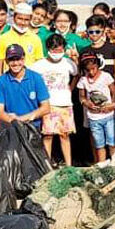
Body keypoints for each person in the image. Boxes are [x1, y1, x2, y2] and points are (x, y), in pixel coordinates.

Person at [31, 34, 78, 165]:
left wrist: (71, 88)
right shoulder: (39, 65)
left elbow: (76, 74)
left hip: (65, 104)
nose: (57, 53)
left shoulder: (68, 63)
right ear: (48, 49)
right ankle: (47, 165)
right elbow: (31, 79)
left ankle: (69, 165)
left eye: (59, 50)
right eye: (54, 50)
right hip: (48, 105)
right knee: (48, 135)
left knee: (65, 135)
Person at [0, 43, 50, 129]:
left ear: (23, 59)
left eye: (18, 59)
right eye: (11, 60)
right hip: (11, 127)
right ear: (6, 61)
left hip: (33, 127)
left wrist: (21, 119)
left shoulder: (36, 78)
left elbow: (46, 107)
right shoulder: (1, 82)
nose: (15, 63)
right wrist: (14, 122)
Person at [77, 49, 115, 162]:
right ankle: (102, 165)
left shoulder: (106, 76)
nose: (91, 72)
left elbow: (114, 92)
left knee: (112, 143)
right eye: (88, 70)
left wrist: (113, 105)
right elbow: (82, 97)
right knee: (99, 145)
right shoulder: (83, 80)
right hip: (94, 117)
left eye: (93, 69)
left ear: (98, 65)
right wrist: (86, 103)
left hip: (108, 115)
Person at [0, 2, 44, 78]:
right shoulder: (3, 38)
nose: (23, 23)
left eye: (26, 20)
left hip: (29, 81)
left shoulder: (35, 39)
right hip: (9, 82)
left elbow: (39, 65)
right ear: (14, 17)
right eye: (20, 19)